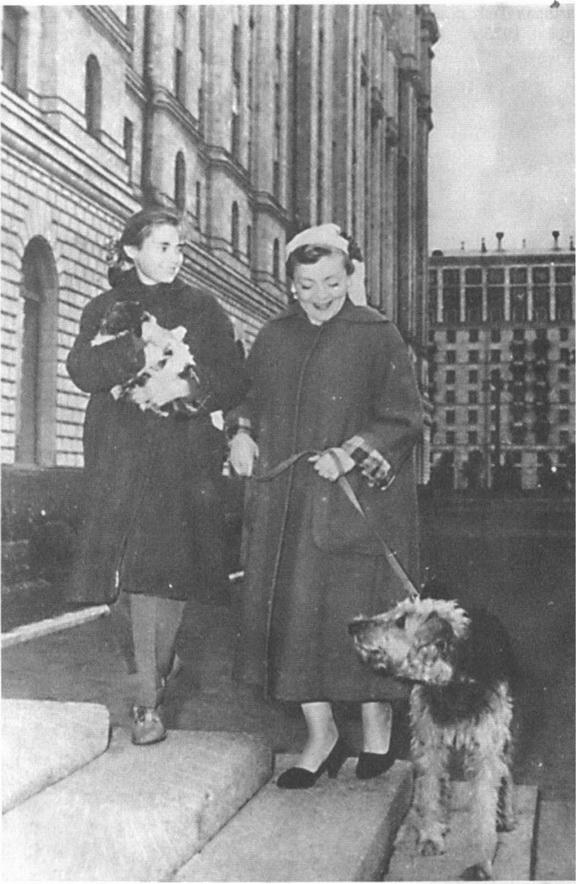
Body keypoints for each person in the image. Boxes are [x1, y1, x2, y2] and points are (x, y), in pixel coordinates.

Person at [228, 223, 423, 788]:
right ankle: (322, 735)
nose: (320, 296)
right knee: (295, 621)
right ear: (290, 284)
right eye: (307, 285)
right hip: (287, 504)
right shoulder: (274, 336)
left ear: (349, 277)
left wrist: (350, 453)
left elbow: (405, 417)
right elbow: (246, 396)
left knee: (357, 615)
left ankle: (377, 725)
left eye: (332, 283)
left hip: (356, 503)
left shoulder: (377, 334)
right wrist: (241, 433)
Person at [67, 207, 247, 745]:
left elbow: (234, 377)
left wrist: (186, 387)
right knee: (119, 586)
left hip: (179, 458)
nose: (174, 258)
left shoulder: (202, 308)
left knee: (164, 574)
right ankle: (154, 673)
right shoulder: (104, 308)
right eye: (163, 247)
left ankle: (149, 696)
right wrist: (139, 349)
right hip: (117, 456)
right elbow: (82, 370)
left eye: (179, 248)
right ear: (131, 251)